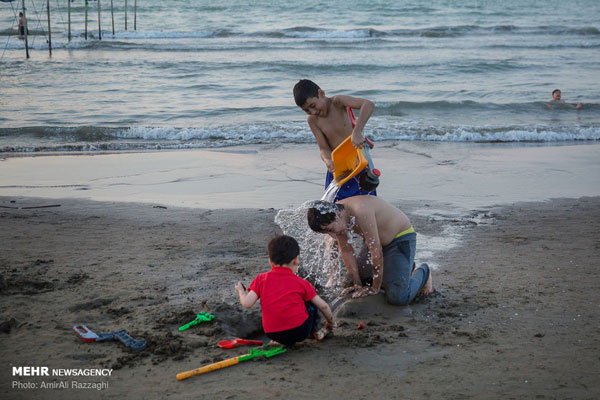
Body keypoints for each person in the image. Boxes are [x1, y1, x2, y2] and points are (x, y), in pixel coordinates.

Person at [307, 196, 433, 305]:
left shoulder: (360, 210)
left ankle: (423, 272)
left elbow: (376, 252)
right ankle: (404, 268)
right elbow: (346, 252)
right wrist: (357, 283)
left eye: (330, 229)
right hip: (374, 241)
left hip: (400, 239)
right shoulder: (337, 217)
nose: (332, 235)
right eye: (326, 232)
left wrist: (375, 288)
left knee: (398, 298)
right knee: (348, 284)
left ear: (338, 215)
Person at [235, 235, 336, 346]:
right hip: (300, 332)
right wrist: (330, 323)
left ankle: (280, 341)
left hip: (272, 333)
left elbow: (247, 303)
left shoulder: (261, 279)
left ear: (270, 261)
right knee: (310, 302)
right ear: (296, 260)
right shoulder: (301, 283)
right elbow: (324, 307)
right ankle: (316, 331)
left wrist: (241, 291)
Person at [293, 79, 376, 202]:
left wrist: (357, 131)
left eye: (313, 106)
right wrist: (327, 160)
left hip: (358, 161)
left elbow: (368, 104)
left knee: (366, 202)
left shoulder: (338, 102)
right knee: (335, 206)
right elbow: (324, 148)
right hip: (338, 168)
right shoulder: (313, 120)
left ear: (321, 93)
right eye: (306, 110)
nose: (313, 112)